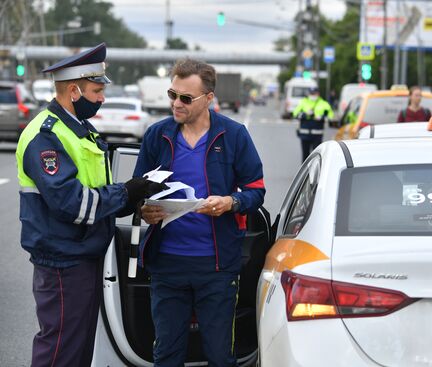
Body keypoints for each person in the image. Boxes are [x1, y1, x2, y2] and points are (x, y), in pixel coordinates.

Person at [15, 43, 166, 367]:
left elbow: (95, 194)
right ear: (73, 90)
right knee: (60, 348)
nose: (102, 99)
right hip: (62, 258)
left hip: (81, 254)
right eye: (97, 91)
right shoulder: (46, 136)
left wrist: (133, 198)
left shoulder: (82, 131)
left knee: (78, 346)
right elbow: (71, 204)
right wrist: (126, 193)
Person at [133, 58, 265, 367]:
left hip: (217, 267)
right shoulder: (157, 135)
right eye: (172, 94)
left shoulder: (233, 136)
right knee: (166, 355)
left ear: (208, 98)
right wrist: (144, 210)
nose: (176, 103)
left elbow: (256, 190)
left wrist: (230, 202)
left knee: (220, 356)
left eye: (185, 98)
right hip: (166, 265)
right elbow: (136, 192)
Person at [292, 87, 334, 162]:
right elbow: (295, 114)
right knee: (305, 156)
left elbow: (331, 116)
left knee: (316, 157)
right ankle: (306, 173)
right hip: (304, 134)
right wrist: (304, 114)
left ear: (318, 94)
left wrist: (322, 117)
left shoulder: (324, 103)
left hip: (317, 135)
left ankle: (316, 173)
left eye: (314, 93)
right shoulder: (303, 102)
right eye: (311, 94)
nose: (313, 95)